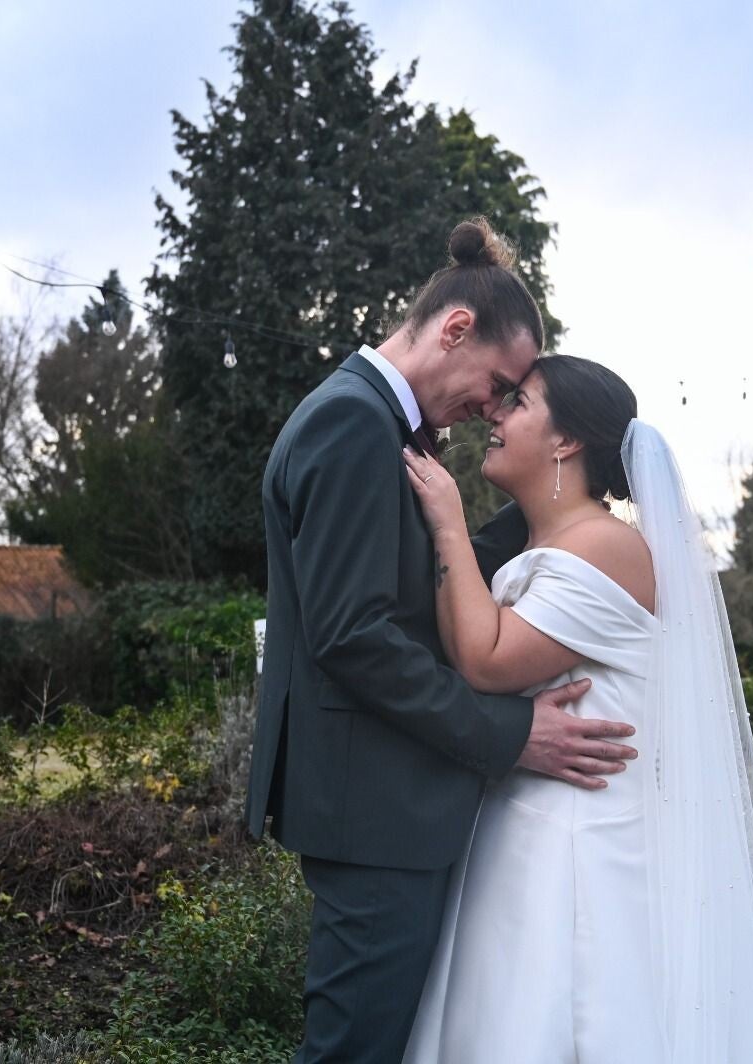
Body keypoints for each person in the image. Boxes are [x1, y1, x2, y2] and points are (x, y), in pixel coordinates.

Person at [245, 218, 641, 1064]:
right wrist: (512, 733)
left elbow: (416, 588)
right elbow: (355, 635)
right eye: (498, 384)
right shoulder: (352, 422)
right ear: (456, 328)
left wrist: (563, 507)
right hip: (374, 811)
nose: (493, 408)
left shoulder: (377, 422)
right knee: (354, 1052)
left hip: (386, 805)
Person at [400, 354, 753, 1062]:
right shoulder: (549, 542)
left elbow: (484, 660)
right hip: (527, 824)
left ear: (567, 441)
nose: (495, 415)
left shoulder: (606, 545)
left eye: (518, 403)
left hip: (576, 844)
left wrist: (446, 524)